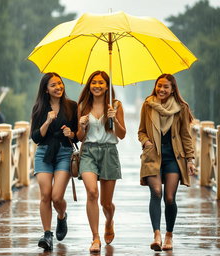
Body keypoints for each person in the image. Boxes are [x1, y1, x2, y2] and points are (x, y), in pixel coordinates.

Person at [138, 74, 196, 251]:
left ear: (172, 90)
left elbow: (186, 135)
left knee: (169, 198)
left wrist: (190, 159)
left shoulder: (181, 108)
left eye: (166, 87)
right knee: (156, 192)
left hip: (173, 157)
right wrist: (146, 141)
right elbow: (141, 131)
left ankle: (169, 235)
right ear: (155, 86)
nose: (161, 90)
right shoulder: (148, 105)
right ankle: (157, 234)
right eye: (159, 86)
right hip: (152, 157)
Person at [76, 70, 126, 253]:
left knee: (106, 203)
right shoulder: (82, 106)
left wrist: (114, 119)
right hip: (88, 151)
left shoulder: (116, 105)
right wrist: (81, 126)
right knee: (91, 193)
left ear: (107, 86)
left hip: (109, 152)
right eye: (94, 82)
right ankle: (95, 237)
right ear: (89, 85)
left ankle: (109, 220)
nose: (97, 86)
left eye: (101, 83)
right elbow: (80, 137)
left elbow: (122, 134)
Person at [30, 72, 78, 251]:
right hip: (44, 153)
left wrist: (71, 134)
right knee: (45, 195)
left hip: (64, 153)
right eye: (53, 85)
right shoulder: (39, 108)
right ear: (46, 89)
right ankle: (47, 234)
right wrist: (47, 122)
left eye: (60, 84)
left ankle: (62, 216)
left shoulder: (71, 106)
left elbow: (77, 135)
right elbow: (35, 137)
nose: (58, 87)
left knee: (57, 196)